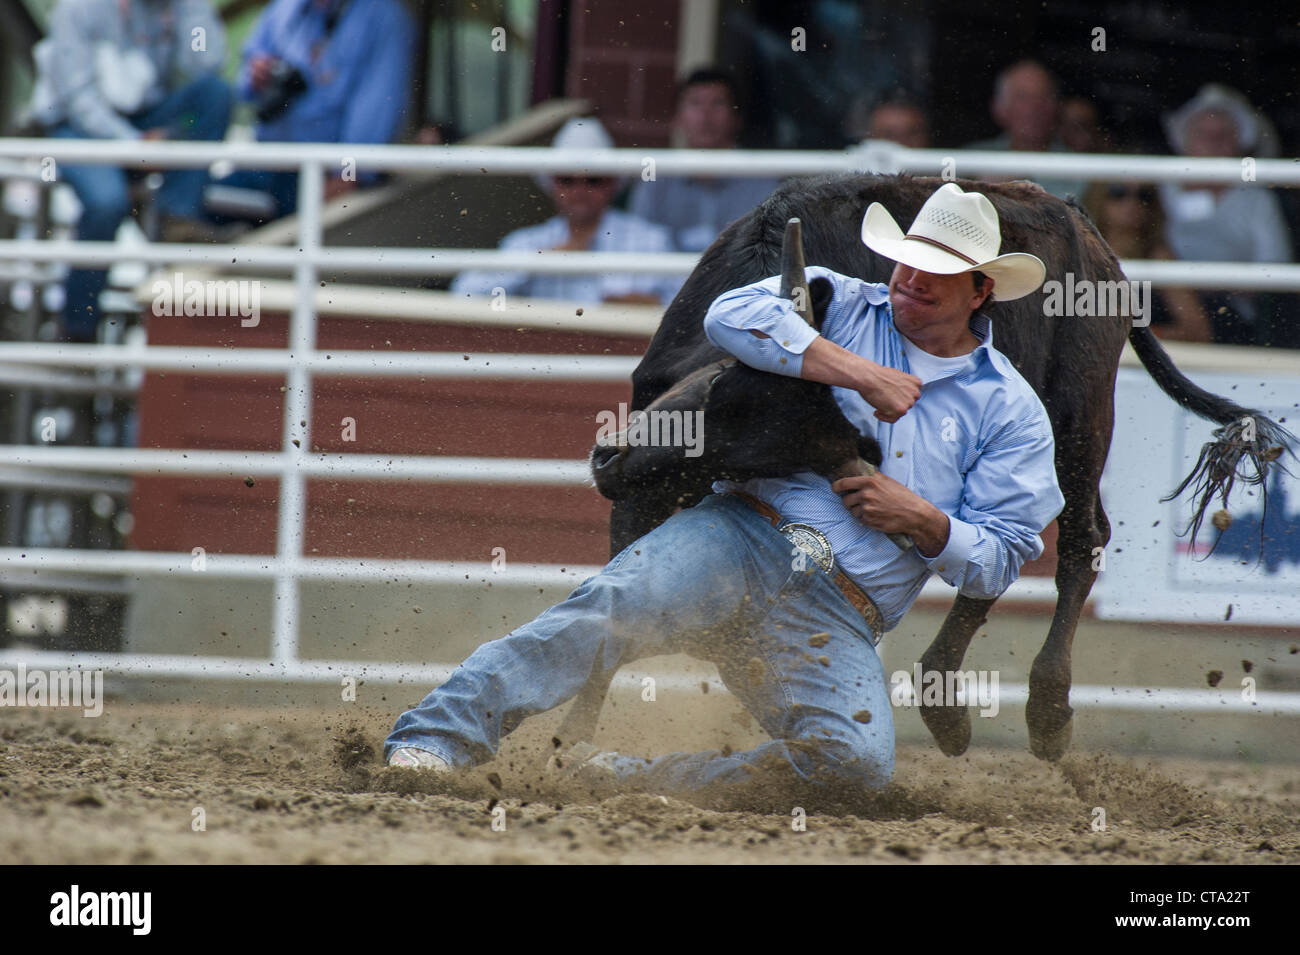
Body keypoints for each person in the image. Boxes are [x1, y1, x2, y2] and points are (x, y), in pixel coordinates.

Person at [386, 183, 1065, 796]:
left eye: (938, 271)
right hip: (742, 535)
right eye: (907, 259)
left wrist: (923, 519)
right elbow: (730, 316)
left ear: (980, 291)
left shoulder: (1010, 410)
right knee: (612, 606)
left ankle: (625, 780)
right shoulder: (837, 302)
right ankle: (433, 736)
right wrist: (858, 373)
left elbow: (1003, 556)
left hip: (837, 615)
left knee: (854, 765)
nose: (912, 278)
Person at [22, 0, 231, 341]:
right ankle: (77, 329)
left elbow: (207, 65)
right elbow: (78, 98)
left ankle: (177, 216)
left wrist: (192, 12)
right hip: (76, 128)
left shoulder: (180, 9)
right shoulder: (80, 9)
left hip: (148, 122)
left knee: (214, 96)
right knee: (106, 202)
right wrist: (134, 144)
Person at [215, 0, 415, 221]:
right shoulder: (283, 8)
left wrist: (347, 176)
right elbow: (245, 84)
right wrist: (256, 77)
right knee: (208, 204)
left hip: (324, 175)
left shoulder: (382, 16)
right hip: (265, 164)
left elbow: (375, 108)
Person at [451, 118, 681, 306]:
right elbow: (464, 292)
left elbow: (688, 308)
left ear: (612, 184)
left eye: (593, 179)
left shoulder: (651, 240)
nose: (579, 191)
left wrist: (649, 305)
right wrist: (540, 260)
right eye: (567, 180)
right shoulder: (529, 243)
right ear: (552, 185)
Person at [1158, 84, 1293, 345]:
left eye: (1223, 136)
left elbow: (1274, 271)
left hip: (1231, 313)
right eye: (1203, 135)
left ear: (1239, 144)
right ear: (1184, 141)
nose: (1212, 144)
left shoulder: (1257, 200)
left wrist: (1216, 284)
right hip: (1159, 300)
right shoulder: (1159, 187)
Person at [628, 69, 781, 253]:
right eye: (695, 104)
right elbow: (639, 246)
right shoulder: (655, 178)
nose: (706, 116)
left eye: (718, 104)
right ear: (677, 118)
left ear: (737, 118)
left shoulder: (761, 179)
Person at [1083, 180, 1212, 342]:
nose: (1132, 203)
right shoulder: (1080, 252)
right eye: (1118, 192)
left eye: (1144, 196)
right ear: (1098, 198)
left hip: (1139, 362)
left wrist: (1141, 339)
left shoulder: (1158, 256)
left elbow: (1196, 329)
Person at [965, 60, 1086, 201]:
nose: (1035, 107)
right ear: (998, 107)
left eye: (1043, 97)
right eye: (1022, 98)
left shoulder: (1079, 167)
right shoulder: (970, 161)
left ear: (1056, 106)